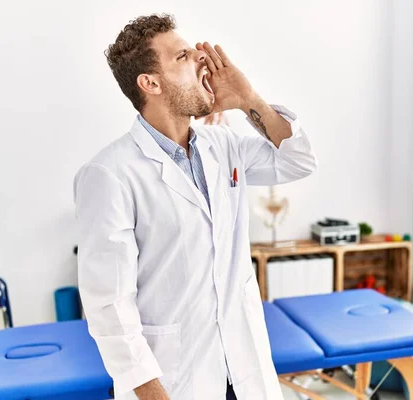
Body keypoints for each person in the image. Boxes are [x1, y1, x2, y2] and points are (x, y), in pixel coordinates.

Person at [73, 13, 318, 400]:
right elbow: (109, 306)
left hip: (244, 367)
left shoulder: (223, 146)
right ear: (150, 83)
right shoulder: (109, 173)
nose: (202, 59)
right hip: (176, 381)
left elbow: (297, 160)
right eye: (183, 56)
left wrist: (247, 99)